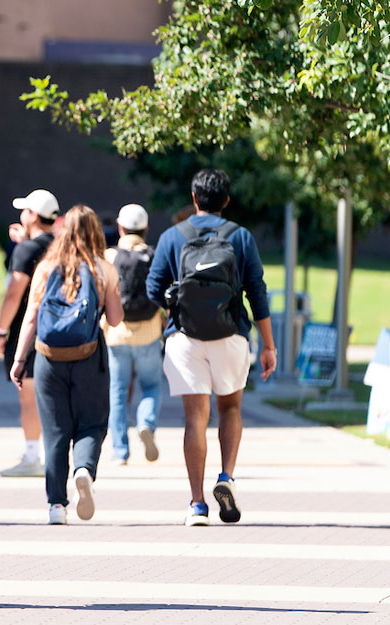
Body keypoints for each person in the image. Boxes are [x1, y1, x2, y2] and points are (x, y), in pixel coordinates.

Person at [146, 169, 276, 526]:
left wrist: (177, 305)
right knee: (231, 408)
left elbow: (153, 288)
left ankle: (197, 505)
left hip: (185, 337)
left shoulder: (173, 236)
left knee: (195, 419)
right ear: (227, 201)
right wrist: (268, 344)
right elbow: (257, 291)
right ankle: (226, 477)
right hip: (231, 335)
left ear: (193, 198)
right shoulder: (241, 237)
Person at [10, 205, 124, 526]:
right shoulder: (104, 268)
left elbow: (31, 317)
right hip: (89, 358)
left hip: (48, 360)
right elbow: (115, 320)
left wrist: (20, 360)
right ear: (96, 233)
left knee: (55, 432)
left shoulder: (46, 267)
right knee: (91, 424)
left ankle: (56, 507)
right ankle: (84, 469)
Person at [0, 190, 58, 477]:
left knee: (28, 396)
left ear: (32, 215)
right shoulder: (58, 245)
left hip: (27, 333)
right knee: (53, 395)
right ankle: (54, 455)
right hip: (60, 331)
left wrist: (0, 331)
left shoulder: (27, 250)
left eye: (24, 210)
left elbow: (13, 294)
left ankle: (33, 456)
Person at [104, 204, 164, 466]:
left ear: (120, 227)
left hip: (117, 334)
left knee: (117, 391)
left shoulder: (108, 256)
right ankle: (146, 423)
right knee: (151, 385)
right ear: (146, 228)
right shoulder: (154, 255)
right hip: (149, 331)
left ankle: (120, 451)